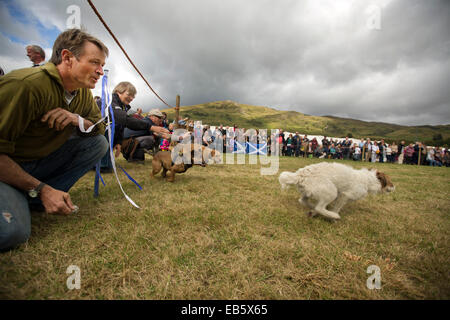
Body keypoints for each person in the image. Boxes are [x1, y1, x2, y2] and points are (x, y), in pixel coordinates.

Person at [0, 29, 110, 251]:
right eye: (94, 63)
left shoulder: (82, 94)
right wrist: (42, 189)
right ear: (68, 58)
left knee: (98, 144)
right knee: (11, 232)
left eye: (102, 65)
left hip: (37, 163)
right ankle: (37, 194)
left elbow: (99, 128)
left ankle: (32, 199)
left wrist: (76, 119)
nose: (100, 71)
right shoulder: (25, 85)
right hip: (8, 170)